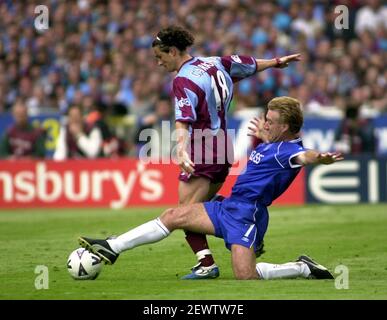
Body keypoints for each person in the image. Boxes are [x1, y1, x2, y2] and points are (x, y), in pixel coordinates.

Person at [78, 96, 343, 280]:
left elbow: (304, 157)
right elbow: (273, 151)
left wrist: (320, 158)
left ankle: (301, 268)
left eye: (270, 121)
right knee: (174, 215)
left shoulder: (290, 151)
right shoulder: (272, 142)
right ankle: (113, 246)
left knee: (245, 276)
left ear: (285, 127)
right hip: (229, 205)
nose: (265, 123)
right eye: (265, 118)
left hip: (247, 215)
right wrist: (264, 137)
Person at [151, 25, 302, 279]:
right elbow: (248, 64)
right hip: (223, 146)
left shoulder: (183, 79)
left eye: (160, 56)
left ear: (174, 51)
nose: (158, 62)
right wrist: (275, 62)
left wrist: (181, 149)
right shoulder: (214, 63)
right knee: (198, 207)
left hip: (205, 147)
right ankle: (214, 253)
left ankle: (207, 263)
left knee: (186, 210)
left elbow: (183, 120)